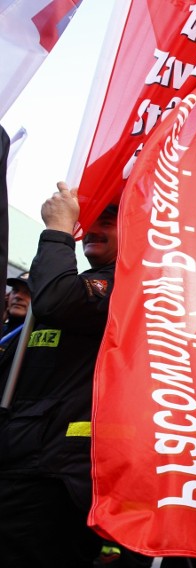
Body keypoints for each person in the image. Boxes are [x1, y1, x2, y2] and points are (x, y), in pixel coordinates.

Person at [0, 182, 120, 567]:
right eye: (91, 218)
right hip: (23, 459)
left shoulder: (130, 286)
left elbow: (54, 301)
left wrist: (56, 232)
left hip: (53, 475)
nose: (94, 228)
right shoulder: (88, 281)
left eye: (109, 220)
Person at [1, 271, 30, 387]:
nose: (18, 296)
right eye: (15, 290)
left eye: (28, 292)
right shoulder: (4, 328)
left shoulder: (33, 338)